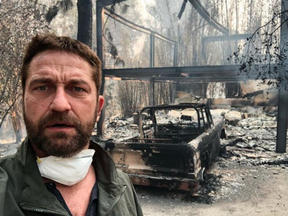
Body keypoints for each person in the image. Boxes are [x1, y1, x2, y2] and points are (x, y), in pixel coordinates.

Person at [0, 33, 143, 216]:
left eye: (77, 89)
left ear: (98, 109)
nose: (60, 104)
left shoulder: (122, 187)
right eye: (42, 87)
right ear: (23, 103)